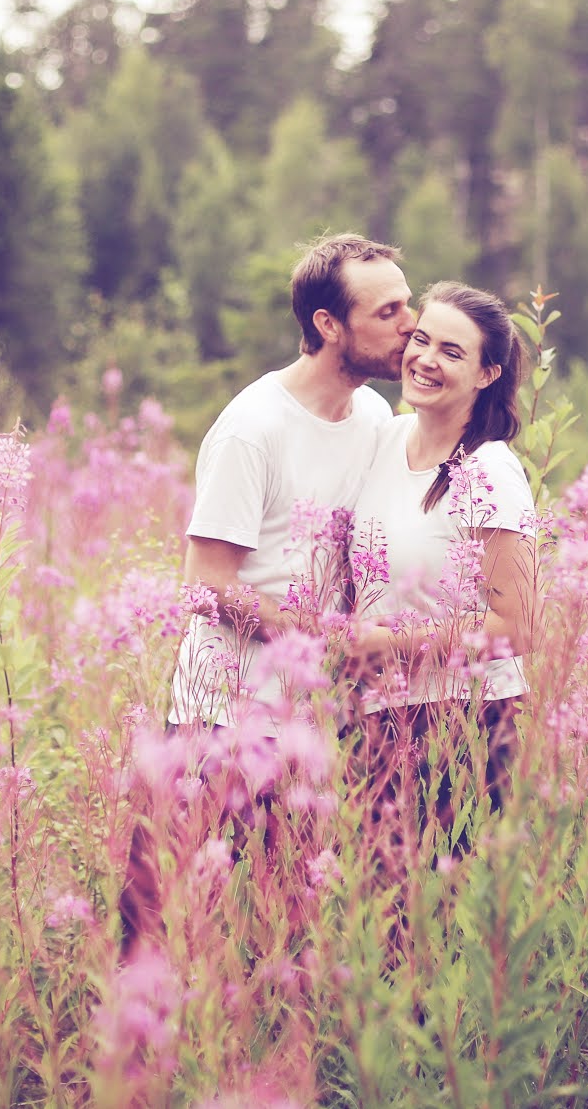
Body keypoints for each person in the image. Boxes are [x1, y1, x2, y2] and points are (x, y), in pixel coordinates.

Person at [121, 233, 414, 954]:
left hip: (305, 719)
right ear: (328, 325)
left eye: (408, 303)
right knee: (157, 916)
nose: (410, 324)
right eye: (388, 312)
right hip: (216, 714)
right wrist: (314, 634)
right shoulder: (252, 430)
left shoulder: (375, 419)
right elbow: (207, 583)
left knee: (286, 925)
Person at [344, 281, 537, 864]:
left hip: (466, 723)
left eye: (452, 352)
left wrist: (389, 646)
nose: (425, 359)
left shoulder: (490, 470)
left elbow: (516, 624)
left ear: (487, 374)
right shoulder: (387, 438)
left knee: (446, 921)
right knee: (382, 920)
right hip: (380, 718)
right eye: (421, 340)